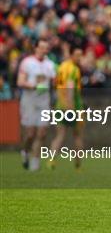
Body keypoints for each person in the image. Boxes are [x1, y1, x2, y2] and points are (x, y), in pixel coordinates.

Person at [17, 39, 56, 171]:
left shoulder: (50, 64)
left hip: (44, 100)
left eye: (46, 48)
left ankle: (35, 160)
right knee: (30, 133)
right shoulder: (27, 62)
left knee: (42, 132)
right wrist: (32, 85)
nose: (45, 50)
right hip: (30, 100)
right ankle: (25, 152)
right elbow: (20, 81)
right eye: (42, 47)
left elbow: (55, 80)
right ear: (36, 48)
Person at [47, 45, 84, 171]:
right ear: (72, 54)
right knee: (77, 136)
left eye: (81, 55)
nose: (79, 58)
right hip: (73, 106)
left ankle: (51, 160)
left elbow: (55, 83)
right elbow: (70, 88)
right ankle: (78, 166)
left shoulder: (62, 66)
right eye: (78, 55)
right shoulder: (74, 69)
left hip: (59, 105)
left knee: (60, 135)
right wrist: (71, 108)